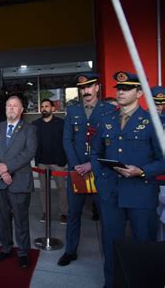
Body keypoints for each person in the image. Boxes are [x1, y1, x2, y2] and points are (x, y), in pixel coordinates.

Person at [91, 71, 165, 288]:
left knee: (144, 244)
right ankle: (111, 283)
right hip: (111, 193)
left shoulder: (154, 121)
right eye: (119, 89)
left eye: (127, 88)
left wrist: (141, 170)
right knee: (111, 243)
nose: (121, 92)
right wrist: (101, 178)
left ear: (139, 93)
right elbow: (95, 153)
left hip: (140, 193)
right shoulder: (106, 120)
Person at [58, 73, 115, 267]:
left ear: (97, 88)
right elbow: (67, 140)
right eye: (82, 88)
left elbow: (111, 143)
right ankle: (70, 251)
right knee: (73, 214)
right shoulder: (72, 110)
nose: (86, 91)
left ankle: (110, 255)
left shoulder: (109, 110)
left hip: (100, 171)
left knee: (106, 217)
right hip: (77, 171)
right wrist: (76, 165)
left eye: (89, 87)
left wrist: (92, 164)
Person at [0, 95, 37, 268]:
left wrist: (8, 168)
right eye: (8, 105)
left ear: (22, 110)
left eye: (15, 106)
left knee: (21, 219)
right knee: (3, 218)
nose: (11, 108)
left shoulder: (29, 129)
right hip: (0, 181)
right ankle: (6, 248)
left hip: (20, 181)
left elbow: (29, 152)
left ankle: (23, 253)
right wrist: (1, 170)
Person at [32, 99, 68, 224]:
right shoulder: (35, 124)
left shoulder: (61, 123)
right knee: (43, 189)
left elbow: (67, 142)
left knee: (61, 188)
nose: (44, 108)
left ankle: (64, 213)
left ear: (53, 108)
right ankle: (45, 213)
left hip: (58, 162)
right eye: (42, 106)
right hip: (42, 161)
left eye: (47, 106)